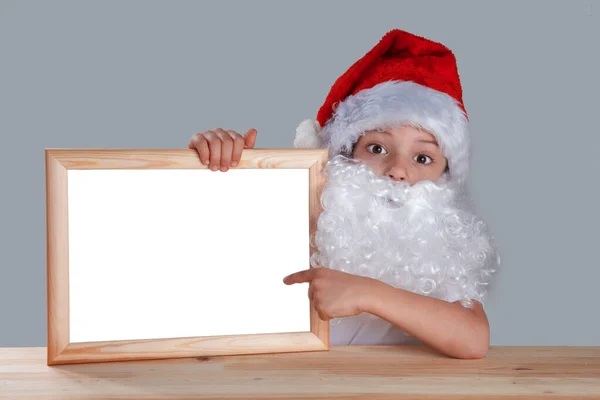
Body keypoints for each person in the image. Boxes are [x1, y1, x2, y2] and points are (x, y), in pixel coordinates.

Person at [187, 29, 500, 359]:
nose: (398, 170)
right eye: (377, 148)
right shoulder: (302, 211)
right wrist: (218, 160)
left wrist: (368, 293)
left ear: (443, 178)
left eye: (423, 158)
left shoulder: (435, 245)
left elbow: (473, 339)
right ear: (343, 155)